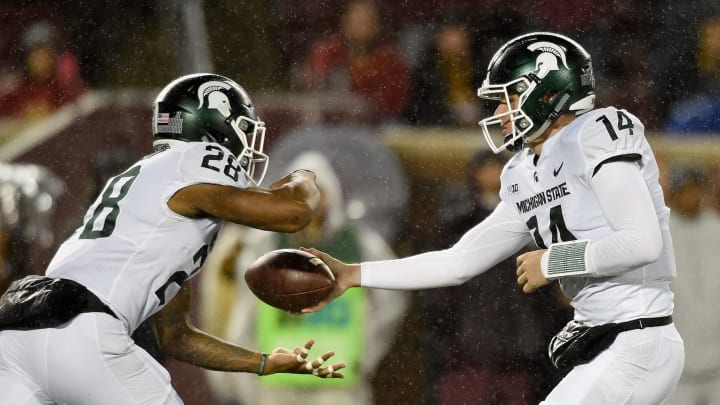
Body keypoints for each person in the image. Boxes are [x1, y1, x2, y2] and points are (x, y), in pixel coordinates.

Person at [302, 32, 685, 404]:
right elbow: (458, 261)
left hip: (640, 341)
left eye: (509, 97)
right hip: (605, 345)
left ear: (548, 93)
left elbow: (642, 242)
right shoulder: (525, 172)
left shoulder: (595, 135)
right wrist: (354, 275)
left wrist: (553, 260)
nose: (500, 113)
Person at [0, 73, 345, 405]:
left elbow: (175, 337)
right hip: (84, 329)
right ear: (213, 128)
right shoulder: (192, 160)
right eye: (242, 130)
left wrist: (262, 362)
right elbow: (294, 213)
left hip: (19, 328)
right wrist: (308, 174)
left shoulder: (153, 197)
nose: (246, 145)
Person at [204, 150, 408, 405]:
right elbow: (243, 313)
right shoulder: (264, 244)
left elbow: (392, 299)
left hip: (336, 383)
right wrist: (242, 375)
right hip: (277, 383)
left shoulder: (360, 245)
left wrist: (365, 353)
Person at [417, 149, 572, 404]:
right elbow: (438, 291)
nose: (492, 176)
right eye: (487, 168)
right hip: (468, 355)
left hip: (518, 353)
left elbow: (546, 293)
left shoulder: (535, 227)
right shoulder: (456, 227)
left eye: (497, 169)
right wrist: (450, 336)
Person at [663, 164, 720, 405]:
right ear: (675, 193)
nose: (692, 196)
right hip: (678, 372)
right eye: (686, 190)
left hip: (717, 366)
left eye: (697, 189)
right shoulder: (662, 233)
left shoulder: (716, 229)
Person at [301, 0, 411, 124]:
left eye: (368, 21)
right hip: (332, 121)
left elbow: (395, 101)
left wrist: (362, 103)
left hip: (378, 122)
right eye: (358, 20)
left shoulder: (391, 58)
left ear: (377, 25)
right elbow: (316, 86)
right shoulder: (327, 51)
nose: (362, 26)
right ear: (345, 22)